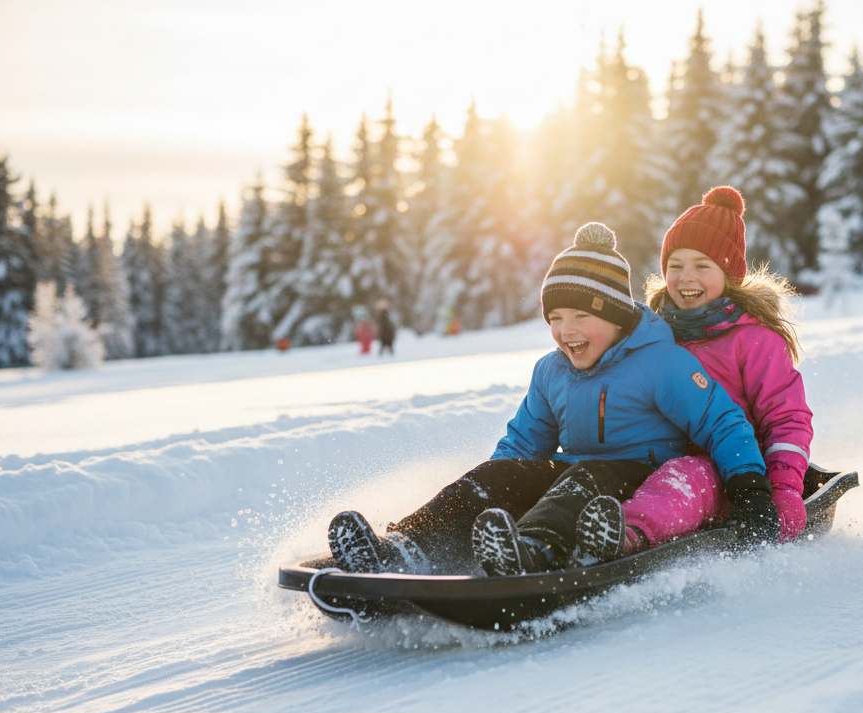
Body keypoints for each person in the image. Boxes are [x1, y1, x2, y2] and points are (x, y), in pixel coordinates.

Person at [326, 222, 778, 578]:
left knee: (581, 480)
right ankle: (406, 548)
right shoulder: (551, 370)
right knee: (500, 474)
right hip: (573, 469)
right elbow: (525, 442)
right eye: (556, 318)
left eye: (583, 316)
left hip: (637, 476)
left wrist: (751, 488)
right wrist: (497, 490)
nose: (567, 331)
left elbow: (722, 422)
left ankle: (534, 551)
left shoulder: (662, 363)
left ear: (618, 320)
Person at [569, 187, 813, 562]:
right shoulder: (653, 334)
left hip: (732, 473)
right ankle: (549, 533)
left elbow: (786, 418)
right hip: (649, 457)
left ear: (728, 273)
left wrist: (781, 490)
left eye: (702, 266)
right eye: (675, 265)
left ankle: (626, 534)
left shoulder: (754, 340)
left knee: (685, 475)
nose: (686, 278)